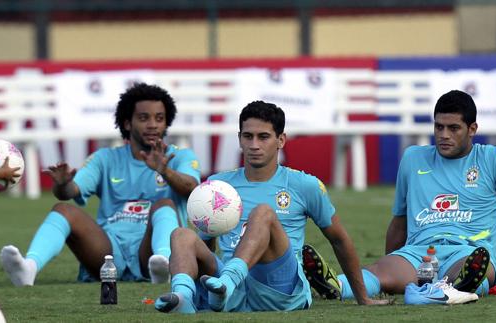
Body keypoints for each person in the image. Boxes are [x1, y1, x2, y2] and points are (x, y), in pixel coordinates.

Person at [304, 90, 496, 303]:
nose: (444, 135)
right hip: (420, 252)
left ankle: (453, 288)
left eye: (453, 128)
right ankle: (334, 284)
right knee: (377, 274)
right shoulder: (413, 158)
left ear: (472, 129)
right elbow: (399, 222)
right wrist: (393, 261)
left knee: (472, 273)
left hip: (471, 251)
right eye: (438, 127)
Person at [154, 100, 383, 314]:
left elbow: (339, 239)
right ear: (239, 138)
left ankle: (227, 282)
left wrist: (362, 297)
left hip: (280, 289)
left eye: (263, 137)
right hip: (231, 294)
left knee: (263, 213)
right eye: (248, 136)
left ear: (281, 140)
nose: (254, 145)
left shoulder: (305, 185)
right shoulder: (217, 184)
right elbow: (205, 244)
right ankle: (182, 298)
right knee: (181, 234)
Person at [0, 82, 201, 286]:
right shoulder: (105, 159)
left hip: (151, 249)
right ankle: (28, 269)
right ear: (127, 123)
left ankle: (164, 266)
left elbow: (192, 189)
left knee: (165, 204)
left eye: (159, 118)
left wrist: (164, 170)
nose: (152, 125)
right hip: (109, 254)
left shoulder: (180, 156)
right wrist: (63, 184)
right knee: (63, 209)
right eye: (143, 118)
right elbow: (70, 191)